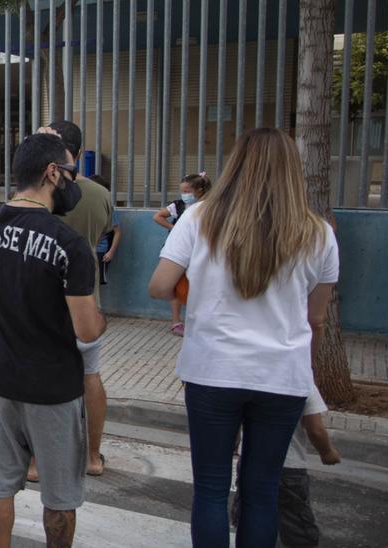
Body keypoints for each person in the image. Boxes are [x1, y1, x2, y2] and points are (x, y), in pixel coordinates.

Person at [147, 128, 339, 547]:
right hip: (282, 377)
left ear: (235, 166)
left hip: (213, 370)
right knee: (262, 490)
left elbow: (160, 287)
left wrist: (202, 284)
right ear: (293, 171)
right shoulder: (319, 233)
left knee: (212, 490)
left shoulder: (199, 217)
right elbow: (317, 319)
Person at [0, 133, 104, 548]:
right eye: (71, 172)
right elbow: (86, 330)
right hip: (52, 387)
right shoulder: (70, 245)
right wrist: (99, 319)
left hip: (1, 378)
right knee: (60, 496)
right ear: (53, 173)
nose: (74, 182)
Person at [48, 120, 115, 478]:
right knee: (90, 373)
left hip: (44, 298)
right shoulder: (99, 194)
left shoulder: (40, 189)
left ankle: (34, 460)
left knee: (39, 375)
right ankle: (92, 456)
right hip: (86, 295)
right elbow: (102, 231)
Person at [232, 382, 342, 548]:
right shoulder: (302, 380)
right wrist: (327, 453)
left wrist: (234, 444)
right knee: (296, 524)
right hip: (288, 466)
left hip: (250, 462)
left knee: (249, 516)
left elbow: (236, 419)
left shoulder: (251, 379)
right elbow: (315, 429)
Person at [152, 172, 211, 336]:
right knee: (178, 285)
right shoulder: (178, 206)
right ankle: (176, 321)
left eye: (187, 191)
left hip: (199, 253)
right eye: (182, 191)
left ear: (199, 190)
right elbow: (157, 216)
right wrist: (175, 229)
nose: (184, 195)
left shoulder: (210, 208)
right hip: (179, 254)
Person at [90, 175, 122, 286]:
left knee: (96, 283)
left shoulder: (108, 208)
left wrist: (111, 252)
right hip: (86, 249)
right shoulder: (85, 206)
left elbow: (117, 232)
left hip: (100, 251)